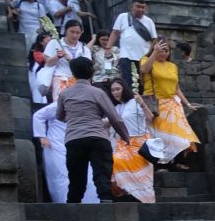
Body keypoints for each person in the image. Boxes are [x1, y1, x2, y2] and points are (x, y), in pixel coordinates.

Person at [56, 56, 129, 204]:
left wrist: (74, 118)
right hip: (98, 138)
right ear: (92, 73)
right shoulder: (98, 93)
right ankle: (106, 202)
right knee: (102, 174)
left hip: (74, 139)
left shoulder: (64, 93)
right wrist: (126, 137)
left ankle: (72, 208)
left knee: (76, 178)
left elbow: (59, 116)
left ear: (73, 73)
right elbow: (115, 118)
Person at [140, 36, 199, 165]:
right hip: (155, 104)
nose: (164, 53)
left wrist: (187, 104)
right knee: (161, 135)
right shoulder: (146, 60)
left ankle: (173, 162)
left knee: (182, 134)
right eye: (161, 50)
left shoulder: (172, 66)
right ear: (154, 49)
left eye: (166, 50)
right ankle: (161, 163)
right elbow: (144, 70)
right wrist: (154, 52)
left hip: (172, 104)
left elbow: (176, 88)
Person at [33, 99, 97, 203]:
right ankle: (64, 203)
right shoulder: (59, 105)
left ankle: (90, 202)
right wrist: (42, 136)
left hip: (78, 143)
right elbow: (38, 115)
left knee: (87, 175)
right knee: (62, 176)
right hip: (57, 144)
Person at [106, 77, 155, 204]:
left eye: (118, 89)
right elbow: (107, 122)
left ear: (124, 89)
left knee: (119, 162)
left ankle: (142, 197)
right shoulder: (115, 108)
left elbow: (150, 118)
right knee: (114, 161)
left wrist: (143, 104)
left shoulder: (135, 102)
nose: (115, 92)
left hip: (140, 143)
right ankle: (126, 192)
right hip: (123, 144)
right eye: (112, 90)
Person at [107, 0, 156, 93]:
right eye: (138, 7)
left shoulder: (149, 21)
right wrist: (108, 48)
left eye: (143, 7)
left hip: (144, 59)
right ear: (131, 6)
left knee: (143, 85)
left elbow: (154, 40)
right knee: (128, 84)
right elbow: (115, 33)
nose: (141, 10)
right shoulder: (122, 17)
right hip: (127, 56)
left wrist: (151, 55)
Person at [42, 19, 88, 99]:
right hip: (60, 79)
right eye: (72, 32)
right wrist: (57, 57)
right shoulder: (55, 43)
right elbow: (48, 63)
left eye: (78, 33)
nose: (75, 35)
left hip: (78, 82)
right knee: (60, 105)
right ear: (66, 31)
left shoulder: (84, 48)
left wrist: (71, 61)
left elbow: (87, 67)